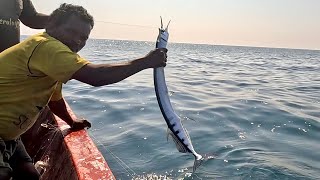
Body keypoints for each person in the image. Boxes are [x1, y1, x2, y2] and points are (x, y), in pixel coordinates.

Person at [0, 3, 167, 180]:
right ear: (52, 25)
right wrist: (145, 62)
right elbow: (95, 76)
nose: (77, 41)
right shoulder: (45, 47)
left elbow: (55, 101)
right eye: (71, 32)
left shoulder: (51, 59)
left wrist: (71, 122)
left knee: (29, 176)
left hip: (9, 137)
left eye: (83, 37)